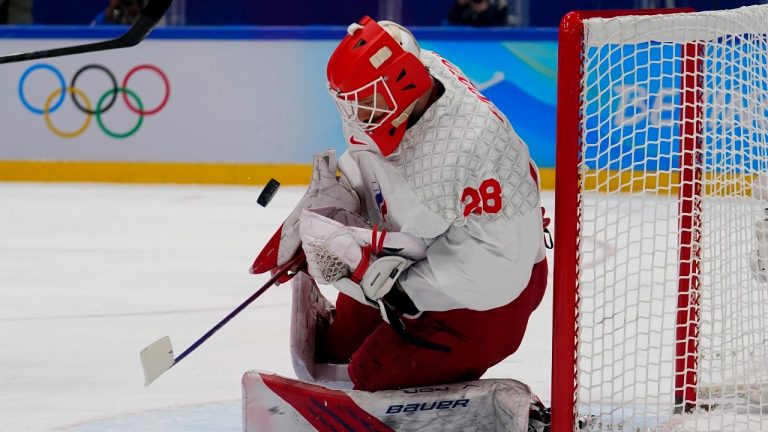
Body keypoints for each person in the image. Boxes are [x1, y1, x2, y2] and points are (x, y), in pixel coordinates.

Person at [252, 16, 548, 393]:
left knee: (371, 375)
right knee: (334, 353)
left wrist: (397, 290)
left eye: (363, 102)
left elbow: (495, 274)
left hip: (493, 296)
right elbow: (372, 162)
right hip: (414, 252)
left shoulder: (476, 149)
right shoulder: (408, 84)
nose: (353, 115)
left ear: (401, 85)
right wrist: (333, 200)